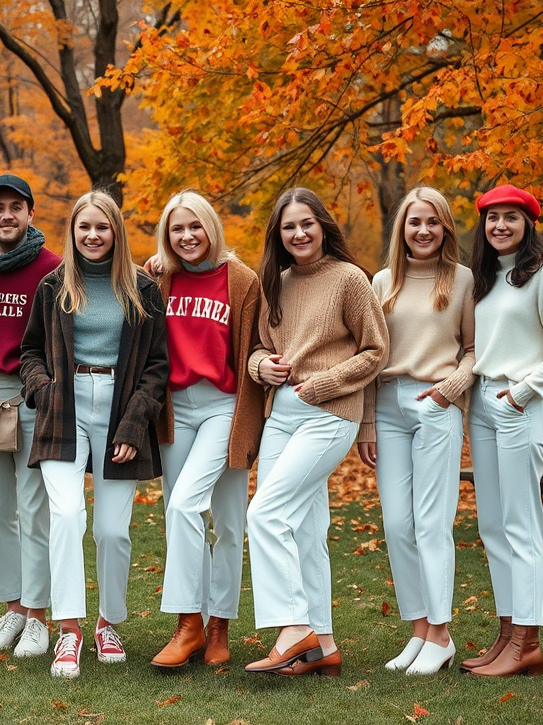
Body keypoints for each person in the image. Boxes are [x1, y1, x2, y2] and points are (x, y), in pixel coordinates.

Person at [20, 190, 168, 678]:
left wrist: (134, 422)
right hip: (64, 406)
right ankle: (69, 630)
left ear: (116, 232)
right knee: (65, 516)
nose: (92, 235)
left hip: (121, 409)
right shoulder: (52, 286)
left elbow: (155, 367)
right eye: (84, 227)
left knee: (111, 528)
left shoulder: (143, 290)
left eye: (102, 227)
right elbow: (30, 353)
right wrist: (43, 389)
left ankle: (108, 621)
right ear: (73, 231)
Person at [244, 188, 387, 676]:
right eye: (289, 227)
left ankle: (291, 628)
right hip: (279, 416)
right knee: (305, 531)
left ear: (323, 225)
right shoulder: (276, 282)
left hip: (328, 415)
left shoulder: (349, 279)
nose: (299, 233)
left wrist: (325, 382)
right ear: (278, 235)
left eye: (307, 223)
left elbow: (375, 350)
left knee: (265, 514)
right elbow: (260, 347)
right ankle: (322, 646)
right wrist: (262, 367)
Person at [356, 187, 475, 674]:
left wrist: (454, 385)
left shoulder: (464, 280)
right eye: (413, 222)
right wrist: (366, 420)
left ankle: (442, 635)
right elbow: (367, 355)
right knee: (397, 525)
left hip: (435, 403)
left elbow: (474, 348)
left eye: (432, 221)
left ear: (445, 227)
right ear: (401, 228)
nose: (422, 230)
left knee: (431, 524)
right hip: (387, 405)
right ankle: (420, 630)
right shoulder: (382, 282)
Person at [463, 184, 543, 677]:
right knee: (492, 526)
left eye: (511, 217)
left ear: (528, 224)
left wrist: (521, 394)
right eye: (492, 218)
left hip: (519, 405)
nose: (500, 226)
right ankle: (507, 634)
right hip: (483, 405)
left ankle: (527, 640)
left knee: (520, 524)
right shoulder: (485, 278)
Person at [149, 191, 264, 669]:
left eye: (195, 227)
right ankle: (188, 622)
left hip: (224, 407)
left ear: (211, 228)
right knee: (181, 515)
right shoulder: (160, 279)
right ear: (166, 236)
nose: (187, 236)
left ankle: (218, 626)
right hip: (175, 410)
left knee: (226, 518)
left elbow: (254, 344)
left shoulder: (241, 280)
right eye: (177, 229)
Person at [0, 174, 61, 658]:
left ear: (30, 213)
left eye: (15, 207)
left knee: (34, 509)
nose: (6, 215)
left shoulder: (55, 269)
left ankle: (39, 617)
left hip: (34, 399)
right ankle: (15, 608)